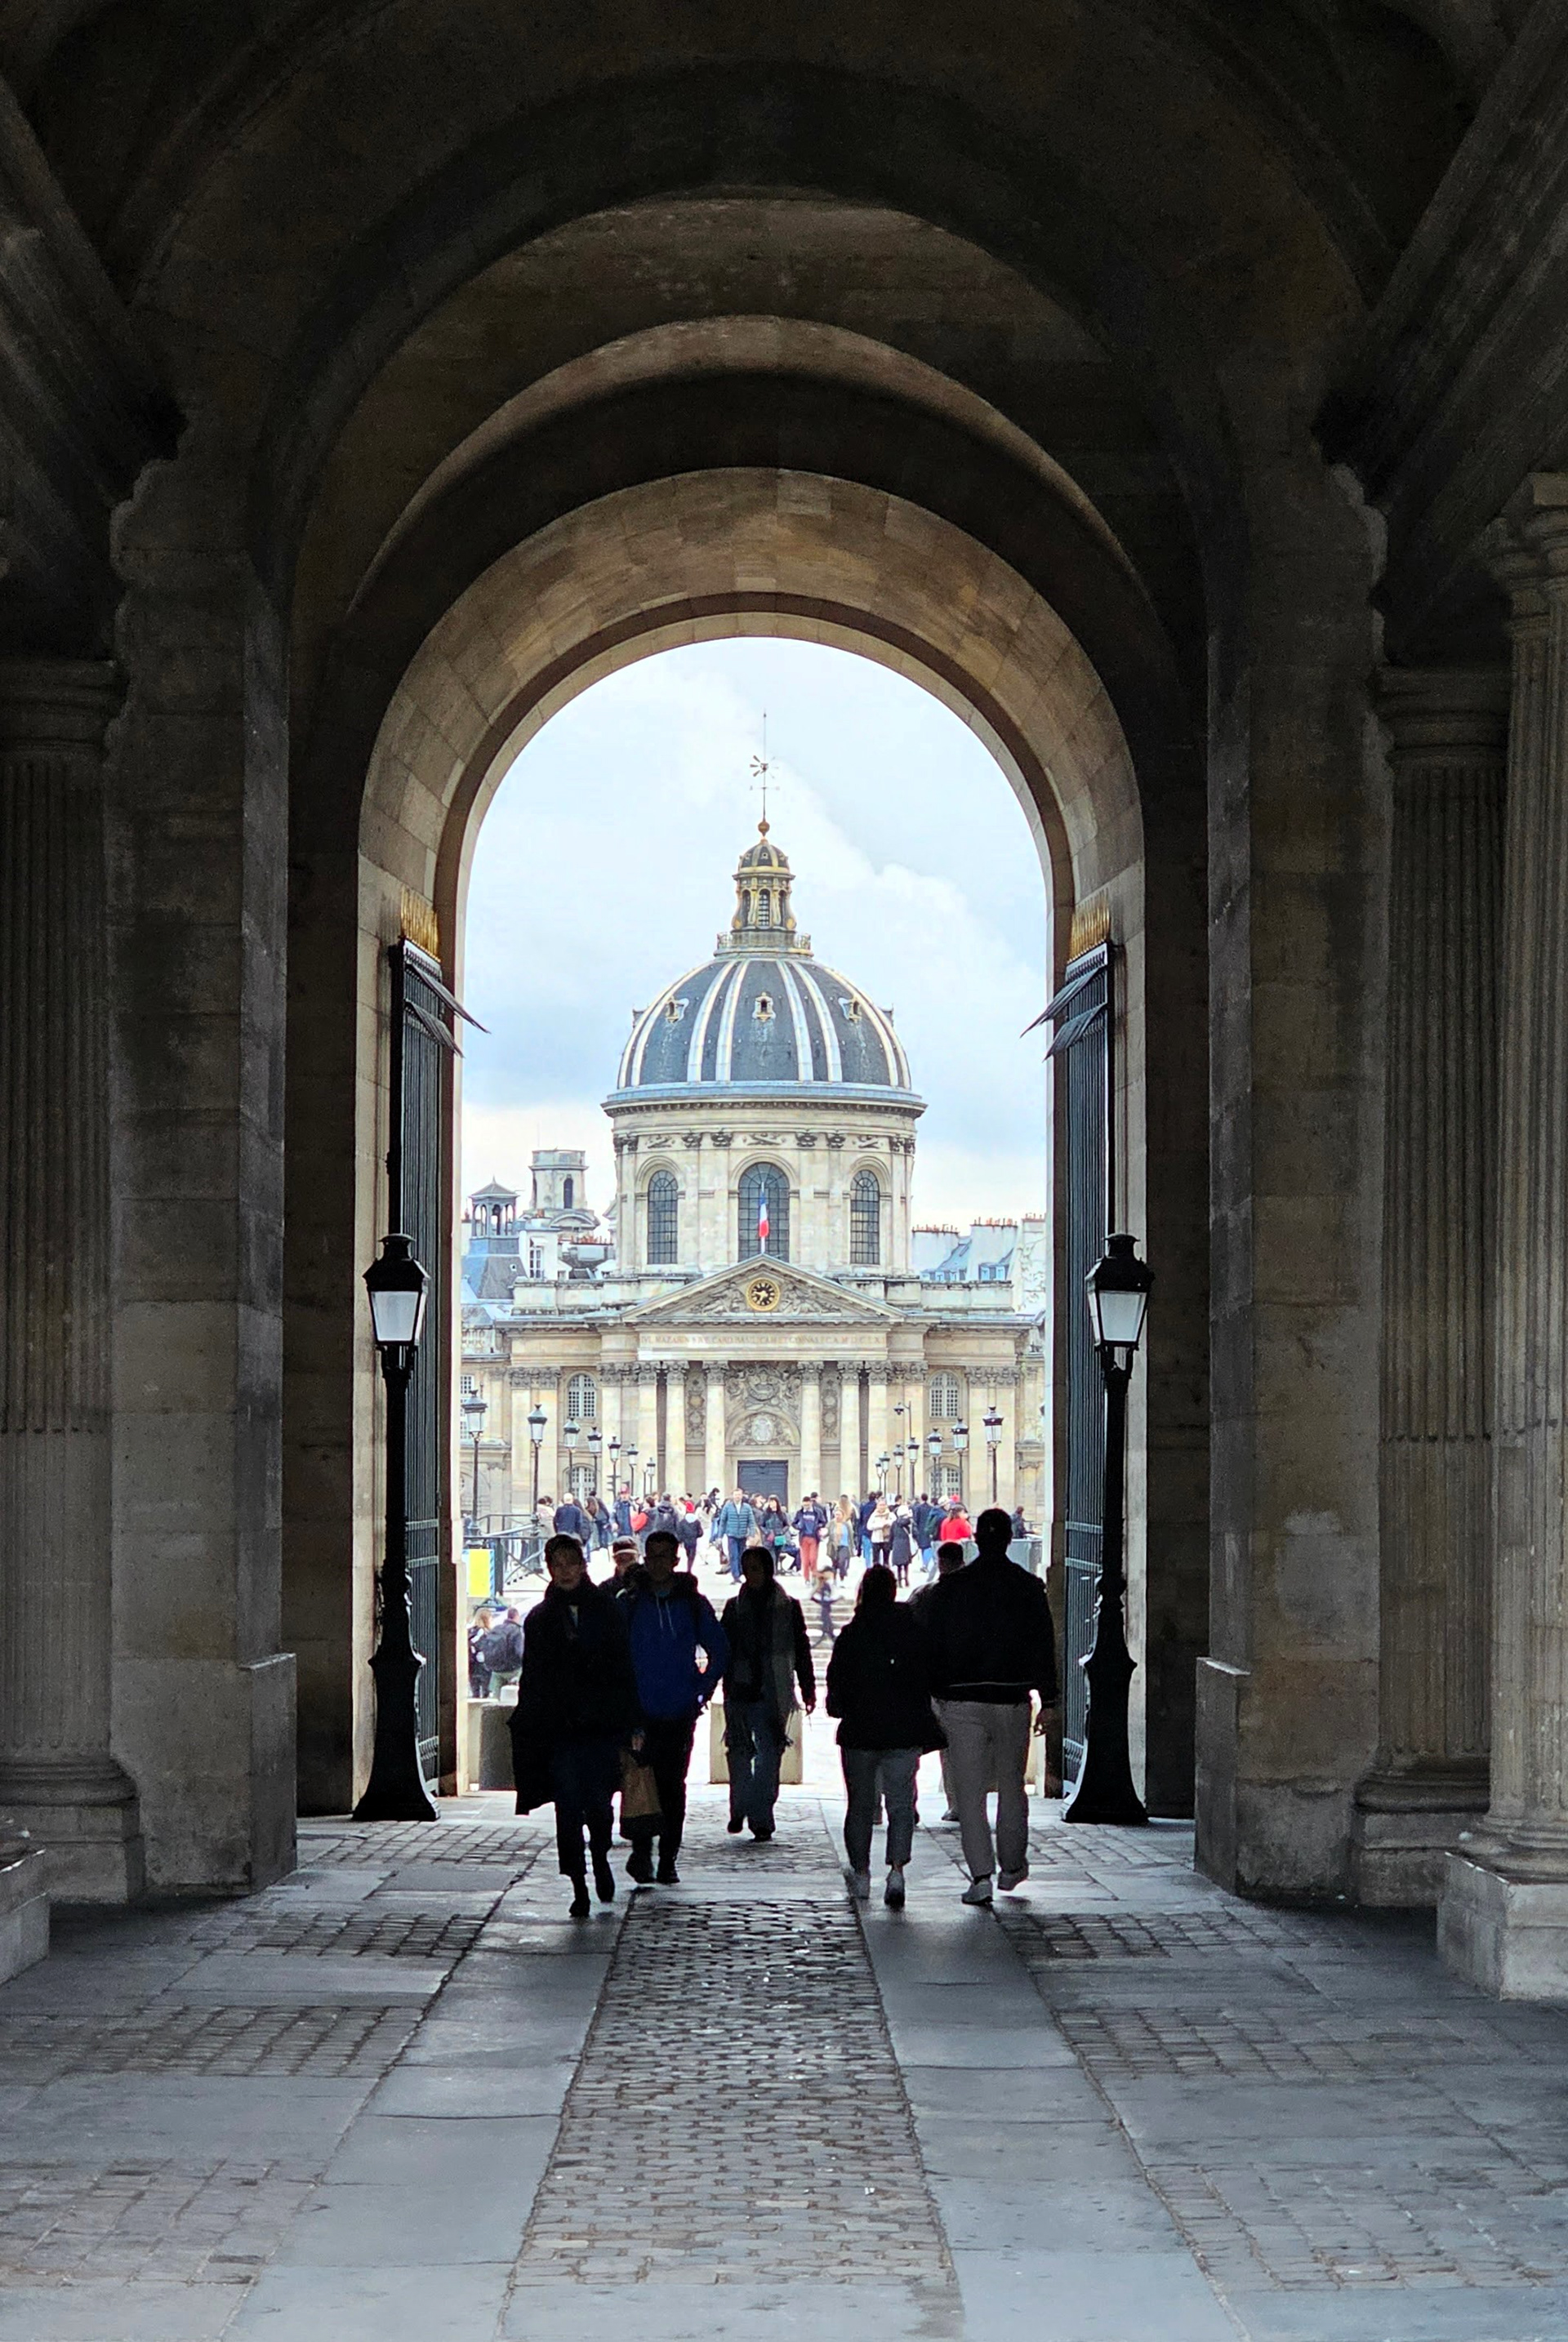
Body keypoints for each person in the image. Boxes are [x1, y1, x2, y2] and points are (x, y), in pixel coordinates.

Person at [927, 1507, 1060, 1906]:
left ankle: (980, 1875)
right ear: (1008, 1540)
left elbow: (933, 1645)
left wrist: (933, 1693)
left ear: (975, 1541)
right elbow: (1043, 1646)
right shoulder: (1027, 1587)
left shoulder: (950, 1589)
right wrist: (1049, 1699)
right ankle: (1012, 1866)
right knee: (1011, 1786)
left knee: (969, 1793)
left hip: (962, 1698)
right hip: (1010, 1699)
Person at [510, 1534, 643, 1917]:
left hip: (600, 1726)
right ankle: (578, 1882)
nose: (565, 1571)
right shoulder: (539, 1618)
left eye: (571, 1563)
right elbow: (532, 1677)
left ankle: (600, 1856)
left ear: (583, 1565)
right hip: (561, 1729)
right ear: (550, 1569)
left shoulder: (606, 1609)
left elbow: (623, 1667)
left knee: (600, 1806)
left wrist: (633, 1720)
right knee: (567, 1808)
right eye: (558, 1564)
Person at [826, 1564, 946, 1908]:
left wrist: (841, 1706)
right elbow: (929, 1675)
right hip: (903, 1731)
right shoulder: (912, 1632)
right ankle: (896, 1870)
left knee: (860, 1806)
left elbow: (837, 1686)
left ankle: (861, 1872)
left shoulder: (852, 1634)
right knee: (901, 1804)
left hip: (861, 1732)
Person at [615, 1529, 728, 1885]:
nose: (658, 1562)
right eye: (652, 1555)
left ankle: (667, 1856)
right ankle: (642, 1850)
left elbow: (720, 1650)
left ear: (676, 1560)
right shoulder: (630, 1603)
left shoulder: (693, 1603)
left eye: (665, 1555)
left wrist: (701, 1690)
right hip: (637, 1709)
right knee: (639, 1781)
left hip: (679, 1710)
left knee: (672, 1785)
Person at [719, 1544, 816, 1840]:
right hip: (740, 1688)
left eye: (756, 1568)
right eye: (746, 1568)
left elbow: (800, 1648)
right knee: (738, 1751)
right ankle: (741, 1805)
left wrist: (808, 1686)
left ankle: (760, 1814)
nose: (751, 1574)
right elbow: (722, 1650)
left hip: (773, 1689)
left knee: (769, 1754)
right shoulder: (733, 1608)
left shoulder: (788, 1607)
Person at [908, 1539, 970, 1819]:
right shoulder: (976, 1595)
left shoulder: (925, 1595)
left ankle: (911, 1802)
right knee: (961, 1748)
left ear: (941, 1562)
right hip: (967, 1679)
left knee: (917, 1746)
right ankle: (961, 1803)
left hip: (930, 1680)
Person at [481, 1604, 525, 1697]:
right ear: (516, 1617)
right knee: (514, 1698)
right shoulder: (516, 1631)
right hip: (513, 1670)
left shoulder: (497, 1629)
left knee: (496, 1700)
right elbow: (519, 1652)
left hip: (496, 1670)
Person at [714, 1488, 758, 1580]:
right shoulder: (727, 1507)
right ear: (733, 1496)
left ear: (742, 1496)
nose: (737, 1496)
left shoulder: (747, 1507)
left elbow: (751, 1521)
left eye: (739, 1495)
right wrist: (720, 1536)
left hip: (743, 1535)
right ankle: (735, 1576)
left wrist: (752, 1534)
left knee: (742, 1555)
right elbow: (723, 1522)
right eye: (735, 1495)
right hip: (732, 1535)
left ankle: (741, 1572)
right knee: (733, 1555)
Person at [793, 1494, 825, 1580]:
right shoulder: (800, 1513)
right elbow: (794, 1523)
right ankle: (807, 1578)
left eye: (807, 1505)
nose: (806, 1507)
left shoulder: (817, 1512)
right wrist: (798, 1527)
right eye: (804, 1505)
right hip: (804, 1537)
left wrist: (819, 1526)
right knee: (805, 1560)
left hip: (814, 1537)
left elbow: (823, 1521)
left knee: (813, 1559)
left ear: (811, 1503)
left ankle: (814, 1575)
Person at [467, 1605, 494, 1699]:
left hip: (472, 1664)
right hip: (483, 1665)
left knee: (475, 1692)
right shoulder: (483, 1632)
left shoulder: (470, 1631)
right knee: (485, 1691)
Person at [889, 1501, 916, 1588]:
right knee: (906, 1564)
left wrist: (890, 1546)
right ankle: (907, 1580)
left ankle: (900, 1581)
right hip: (906, 1543)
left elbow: (891, 1535)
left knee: (899, 1565)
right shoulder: (909, 1523)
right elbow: (915, 1533)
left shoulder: (894, 1523)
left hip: (897, 1544)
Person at [829, 1497, 857, 1581]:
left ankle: (842, 1576)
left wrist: (853, 1547)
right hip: (834, 1545)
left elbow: (851, 1535)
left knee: (842, 1561)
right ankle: (834, 1578)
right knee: (834, 1562)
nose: (837, 1516)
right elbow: (827, 1529)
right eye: (836, 1515)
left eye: (839, 1515)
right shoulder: (832, 1523)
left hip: (844, 1545)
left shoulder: (847, 1524)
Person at [867, 1494, 893, 1570]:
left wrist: (888, 1523)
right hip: (876, 1539)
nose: (882, 1507)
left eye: (883, 1505)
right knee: (875, 1560)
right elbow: (869, 1526)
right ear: (877, 1506)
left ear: (886, 1506)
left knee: (886, 1560)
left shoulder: (890, 1515)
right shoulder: (874, 1515)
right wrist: (880, 1525)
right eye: (880, 1505)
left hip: (886, 1539)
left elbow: (895, 1523)